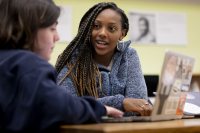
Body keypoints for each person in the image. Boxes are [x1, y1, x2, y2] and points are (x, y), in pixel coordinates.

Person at [0, 0, 123, 132]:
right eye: (52, 28)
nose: (57, 37)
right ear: (28, 28)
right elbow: (59, 106)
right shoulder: (30, 66)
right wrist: (100, 108)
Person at [55, 2, 152, 116]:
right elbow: (67, 106)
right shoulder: (72, 60)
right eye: (96, 26)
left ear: (122, 33)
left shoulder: (129, 55)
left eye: (111, 28)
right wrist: (121, 103)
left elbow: (137, 106)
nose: (102, 33)